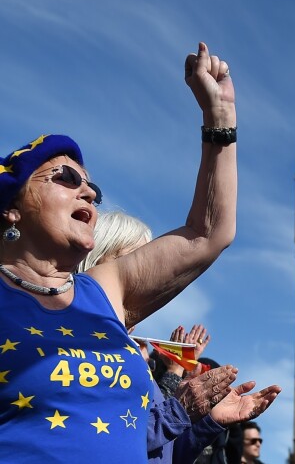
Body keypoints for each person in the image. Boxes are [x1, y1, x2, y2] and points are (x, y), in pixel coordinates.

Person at [0, 42, 280, 462]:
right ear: (11, 209)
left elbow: (208, 234)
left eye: (92, 187)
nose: (88, 191)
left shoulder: (102, 292)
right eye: (66, 177)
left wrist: (219, 120)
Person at [82, 210, 280, 464]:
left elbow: (163, 455)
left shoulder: (130, 355)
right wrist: (179, 406)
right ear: (96, 263)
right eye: (129, 262)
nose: (145, 277)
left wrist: (212, 422)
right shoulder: (81, 345)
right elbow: (100, 441)